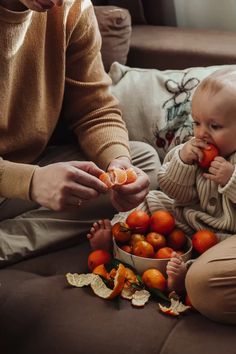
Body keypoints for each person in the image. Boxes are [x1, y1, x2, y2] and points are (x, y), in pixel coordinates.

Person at [0, 0, 160, 266]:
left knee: (143, 161)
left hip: (24, 175)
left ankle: (8, 240)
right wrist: (30, 182)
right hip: (20, 178)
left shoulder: (73, 8)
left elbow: (94, 108)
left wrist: (118, 163)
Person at [89, 66, 236, 324]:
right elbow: (169, 186)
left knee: (210, 254)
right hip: (186, 216)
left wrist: (230, 179)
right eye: (197, 122)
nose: (202, 133)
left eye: (214, 125)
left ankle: (180, 278)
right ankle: (117, 240)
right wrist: (182, 160)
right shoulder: (191, 149)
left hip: (223, 233)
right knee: (150, 199)